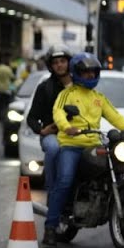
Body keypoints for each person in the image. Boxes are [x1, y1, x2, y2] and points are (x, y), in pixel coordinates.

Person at [42, 52, 124, 248]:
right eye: (86, 72)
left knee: (117, 167)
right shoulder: (67, 94)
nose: (90, 76)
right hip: (71, 144)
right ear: (75, 73)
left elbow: (117, 118)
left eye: (93, 72)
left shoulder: (99, 98)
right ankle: (50, 228)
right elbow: (58, 113)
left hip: (94, 143)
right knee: (64, 180)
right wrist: (66, 127)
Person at [26, 45, 73, 201]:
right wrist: (42, 130)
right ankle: (52, 189)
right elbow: (31, 118)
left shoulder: (80, 86)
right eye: (55, 62)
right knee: (53, 148)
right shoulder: (44, 87)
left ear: (69, 63)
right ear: (51, 66)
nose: (59, 65)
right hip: (53, 135)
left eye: (63, 61)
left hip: (77, 133)